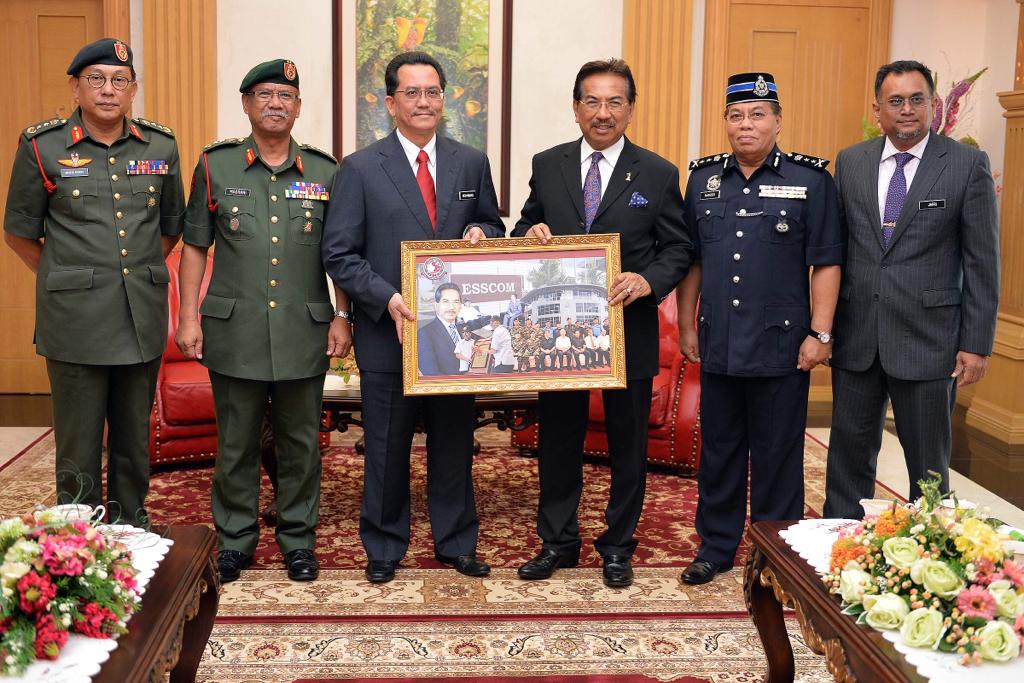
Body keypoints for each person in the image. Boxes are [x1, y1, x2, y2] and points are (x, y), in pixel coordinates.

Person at [321, 51, 502, 584]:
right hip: (388, 331)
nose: (424, 101)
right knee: (385, 446)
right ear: (390, 102)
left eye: (432, 92)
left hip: (452, 336)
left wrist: (482, 234)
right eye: (412, 92)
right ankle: (383, 545)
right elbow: (339, 253)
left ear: (443, 99)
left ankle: (457, 543)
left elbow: (493, 224)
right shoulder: (359, 167)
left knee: (454, 444)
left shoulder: (471, 162)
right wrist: (386, 298)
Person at [513, 59, 692, 588]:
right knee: (558, 439)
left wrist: (647, 281)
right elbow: (525, 225)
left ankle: (618, 546)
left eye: (615, 102)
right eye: (592, 101)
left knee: (627, 444)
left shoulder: (658, 173)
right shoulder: (548, 164)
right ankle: (557, 542)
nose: (603, 112)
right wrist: (529, 233)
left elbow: (678, 248)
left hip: (627, 329)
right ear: (575, 108)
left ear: (631, 109)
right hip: (557, 337)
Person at [176, 59, 349, 583]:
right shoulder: (216, 165)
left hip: (303, 329)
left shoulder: (325, 171)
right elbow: (195, 247)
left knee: (301, 444)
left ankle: (298, 540)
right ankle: (235, 540)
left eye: (285, 96)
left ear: (298, 107)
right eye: (265, 94)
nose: (276, 103)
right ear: (247, 104)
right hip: (235, 330)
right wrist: (188, 317)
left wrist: (342, 316)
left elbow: (338, 253)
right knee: (236, 443)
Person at [3, 39, 184, 526]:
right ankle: (80, 536)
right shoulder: (42, 146)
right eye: (97, 79)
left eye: (119, 81)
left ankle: (130, 526)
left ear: (132, 90)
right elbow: (18, 232)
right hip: (75, 320)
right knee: (79, 441)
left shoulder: (160, 145)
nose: (108, 90)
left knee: (132, 439)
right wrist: (66, 277)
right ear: (76, 88)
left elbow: (171, 226)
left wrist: (133, 273)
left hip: (139, 315)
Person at [676, 72, 842, 585]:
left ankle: (776, 553)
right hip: (720, 340)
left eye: (757, 114)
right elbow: (692, 259)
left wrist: (820, 334)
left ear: (777, 121)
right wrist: (686, 324)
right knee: (719, 452)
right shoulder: (703, 180)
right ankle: (716, 547)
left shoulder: (811, 181)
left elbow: (827, 262)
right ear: (726, 121)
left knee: (777, 455)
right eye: (736, 115)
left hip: (781, 346)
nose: (745, 124)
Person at [823, 60, 1000, 518]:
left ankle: (930, 545)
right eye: (896, 101)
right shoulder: (851, 161)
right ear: (877, 109)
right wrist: (823, 327)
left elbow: (982, 262)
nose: (906, 109)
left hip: (929, 341)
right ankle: (840, 541)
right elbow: (836, 250)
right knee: (847, 458)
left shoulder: (966, 165)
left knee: (928, 469)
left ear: (933, 104)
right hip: (858, 335)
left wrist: (976, 344)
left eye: (917, 99)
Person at [418, 282, 466, 377]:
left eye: (456, 302)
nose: (451, 307)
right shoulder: (424, 334)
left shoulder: (462, 329)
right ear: (436, 305)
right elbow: (431, 374)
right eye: (446, 301)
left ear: (460, 306)